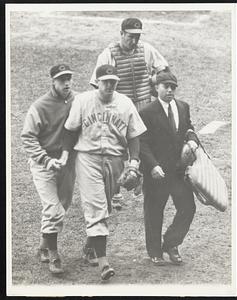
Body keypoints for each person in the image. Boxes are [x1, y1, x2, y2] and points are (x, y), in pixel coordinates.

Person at [62, 64, 146, 280]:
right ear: (97, 82)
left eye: (113, 82)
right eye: (105, 81)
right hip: (87, 158)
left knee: (106, 205)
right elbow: (70, 131)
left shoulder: (125, 103)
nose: (109, 85)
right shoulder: (82, 101)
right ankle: (103, 262)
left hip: (115, 159)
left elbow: (134, 135)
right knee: (96, 206)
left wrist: (134, 162)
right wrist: (65, 156)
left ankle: (90, 248)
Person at [90, 17, 169, 208]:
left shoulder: (146, 49)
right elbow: (96, 84)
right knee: (116, 149)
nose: (134, 41)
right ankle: (115, 191)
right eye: (130, 36)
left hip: (143, 106)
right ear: (121, 34)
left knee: (146, 145)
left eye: (137, 36)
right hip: (120, 108)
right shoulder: (108, 54)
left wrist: (154, 81)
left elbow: (165, 70)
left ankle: (141, 179)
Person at [21, 64, 77, 275]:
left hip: (67, 163)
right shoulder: (40, 106)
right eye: (62, 79)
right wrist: (45, 159)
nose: (66, 83)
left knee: (63, 205)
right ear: (53, 81)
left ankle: (43, 246)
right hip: (43, 164)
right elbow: (27, 137)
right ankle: (54, 255)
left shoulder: (77, 100)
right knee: (53, 209)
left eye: (69, 78)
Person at [139, 71, 199, 266]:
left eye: (173, 87)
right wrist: (153, 165)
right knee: (154, 211)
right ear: (156, 87)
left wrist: (191, 140)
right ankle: (154, 251)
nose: (170, 90)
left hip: (178, 171)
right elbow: (142, 143)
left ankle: (171, 243)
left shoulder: (182, 107)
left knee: (188, 208)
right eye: (166, 86)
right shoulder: (146, 112)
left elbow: (189, 128)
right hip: (156, 172)